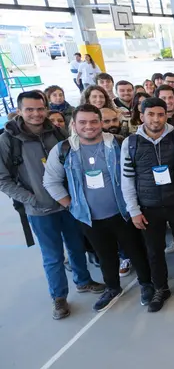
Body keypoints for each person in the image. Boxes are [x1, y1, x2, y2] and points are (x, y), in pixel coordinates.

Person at [1, 92, 107, 320]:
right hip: (40, 210)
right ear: (19, 111)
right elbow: (3, 179)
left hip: (69, 205)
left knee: (77, 246)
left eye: (40, 109)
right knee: (53, 256)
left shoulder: (57, 134)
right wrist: (30, 198)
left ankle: (83, 281)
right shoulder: (9, 140)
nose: (36, 114)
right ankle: (59, 297)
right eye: (29, 109)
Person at [43, 104, 154, 312]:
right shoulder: (63, 150)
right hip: (89, 217)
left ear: (101, 123)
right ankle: (112, 287)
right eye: (82, 122)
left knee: (136, 251)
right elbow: (51, 181)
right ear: (74, 125)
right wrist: (70, 205)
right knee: (105, 255)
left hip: (123, 212)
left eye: (94, 121)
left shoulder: (118, 144)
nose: (89, 126)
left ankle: (146, 284)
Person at [120, 98, 174, 312]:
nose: (156, 119)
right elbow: (126, 180)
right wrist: (134, 210)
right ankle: (160, 287)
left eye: (160, 114)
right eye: (151, 114)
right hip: (148, 207)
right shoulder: (130, 143)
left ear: (167, 115)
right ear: (142, 115)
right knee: (154, 250)